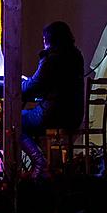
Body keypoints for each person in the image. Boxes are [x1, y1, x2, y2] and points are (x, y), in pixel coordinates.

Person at [21, 21, 85, 177]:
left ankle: (40, 162)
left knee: (15, 120)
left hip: (53, 114)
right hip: (73, 116)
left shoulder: (51, 58)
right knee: (25, 117)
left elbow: (33, 86)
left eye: (44, 39)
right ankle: (44, 164)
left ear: (49, 40)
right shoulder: (76, 56)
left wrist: (21, 83)